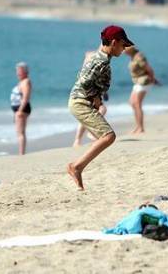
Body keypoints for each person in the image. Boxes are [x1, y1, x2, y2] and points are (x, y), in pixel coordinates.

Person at [67, 25, 133, 190]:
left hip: (79, 101)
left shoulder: (99, 57)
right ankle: (76, 167)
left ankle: (78, 167)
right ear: (113, 42)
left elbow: (82, 75)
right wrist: (95, 97)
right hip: (80, 102)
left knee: (105, 137)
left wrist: (97, 97)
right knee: (108, 136)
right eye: (123, 45)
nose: (124, 49)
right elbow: (83, 81)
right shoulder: (101, 61)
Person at [73, 50, 108, 147]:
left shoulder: (90, 71)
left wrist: (104, 93)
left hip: (90, 95)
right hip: (88, 95)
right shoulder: (88, 72)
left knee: (86, 117)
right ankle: (90, 133)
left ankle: (78, 140)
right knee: (101, 110)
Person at [125, 46, 159, 135]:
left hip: (144, 81)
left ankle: (141, 128)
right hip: (137, 82)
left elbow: (149, 69)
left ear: (130, 49)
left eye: (125, 49)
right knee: (132, 102)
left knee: (137, 104)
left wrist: (153, 80)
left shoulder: (139, 56)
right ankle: (138, 126)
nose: (123, 51)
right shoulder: (133, 56)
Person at [10, 62, 32, 155]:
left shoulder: (26, 81)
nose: (17, 73)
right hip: (19, 109)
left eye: (19, 71)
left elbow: (26, 97)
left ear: (24, 71)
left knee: (20, 133)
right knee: (19, 132)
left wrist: (20, 110)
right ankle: (21, 153)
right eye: (17, 71)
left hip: (22, 109)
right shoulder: (22, 82)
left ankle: (21, 153)